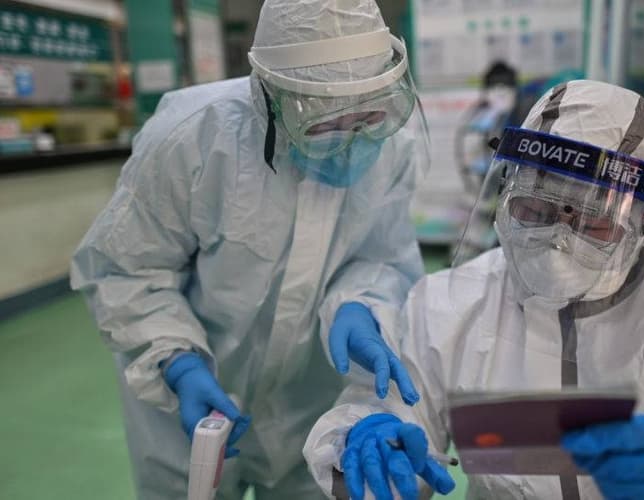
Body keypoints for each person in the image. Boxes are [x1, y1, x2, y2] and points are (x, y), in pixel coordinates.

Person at [304, 80, 644, 499]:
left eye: (590, 219)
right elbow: (388, 411)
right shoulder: (447, 303)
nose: (557, 240)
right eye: (534, 209)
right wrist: (366, 441)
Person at [70, 0, 429, 498]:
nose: (353, 141)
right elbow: (126, 267)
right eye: (325, 126)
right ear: (270, 100)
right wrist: (177, 362)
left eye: (368, 115)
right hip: (191, 404)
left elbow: (381, 254)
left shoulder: (394, 142)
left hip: (311, 399)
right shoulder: (192, 138)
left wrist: (360, 305)